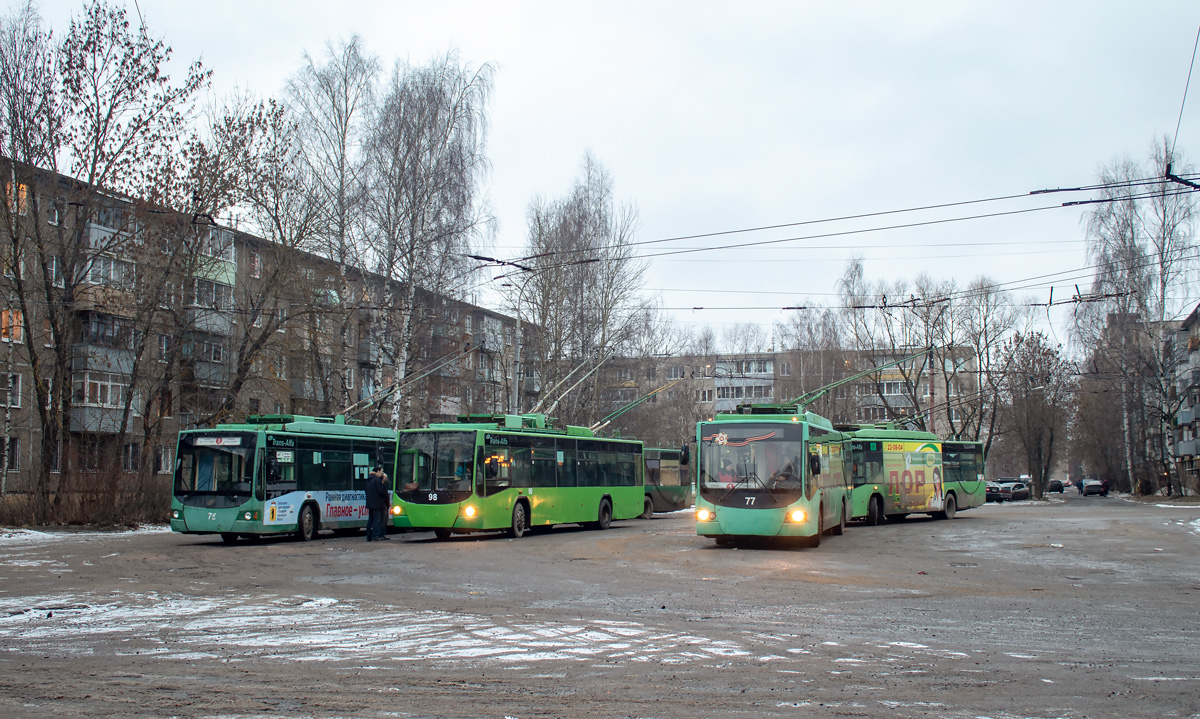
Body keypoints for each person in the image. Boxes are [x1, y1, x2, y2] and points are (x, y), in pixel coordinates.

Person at [365, 465, 391, 542]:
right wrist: (383, 484)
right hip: (378, 503)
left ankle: (369, 536)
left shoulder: (369, 480)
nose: (382, 473)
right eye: (381, 471)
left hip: (370, 503)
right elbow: (381, 491)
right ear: (378, 471)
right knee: (377, 520)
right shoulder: (377, 480)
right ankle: (376, 535)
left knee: (370, 520)